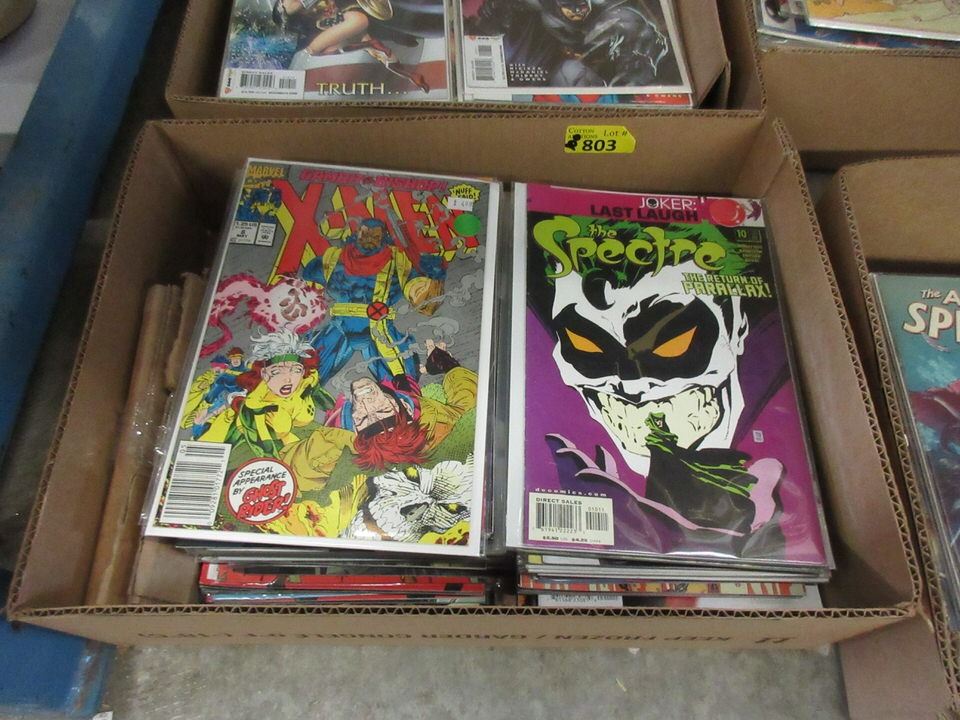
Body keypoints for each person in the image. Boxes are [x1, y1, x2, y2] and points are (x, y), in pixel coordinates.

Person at [302, 218, 446, 386]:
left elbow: (423, 290)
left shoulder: (399, 260)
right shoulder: (332, 258)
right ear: (357, 233)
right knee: (302, 375)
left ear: (383, 236)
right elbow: (307, 279)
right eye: (365, 233)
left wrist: (431, 273)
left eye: (375, 235)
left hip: (380, 328)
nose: (369, 238)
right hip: (340, 326)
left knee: (403, 384)